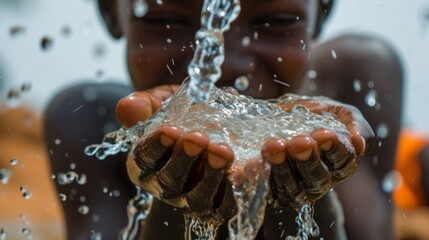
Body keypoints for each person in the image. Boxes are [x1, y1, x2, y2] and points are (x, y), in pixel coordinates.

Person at [44, 0, 403, 239]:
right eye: (164, 21)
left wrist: (304, 199)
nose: (227, 64)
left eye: (276, 22)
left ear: (321, 11)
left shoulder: (358, 77)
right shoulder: (90, 125)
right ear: (111, 12)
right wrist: (173, 209)